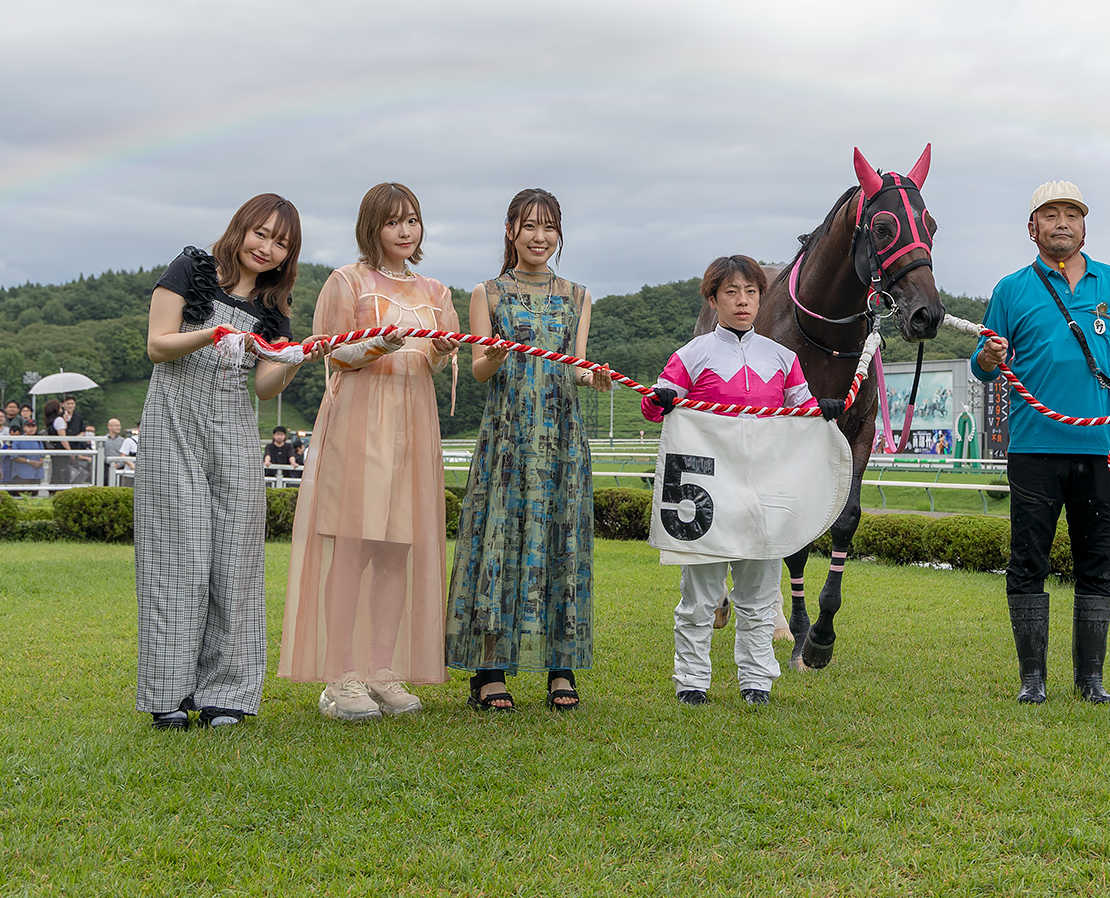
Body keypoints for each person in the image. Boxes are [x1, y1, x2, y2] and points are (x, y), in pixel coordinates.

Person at [971, 181, 1110, 705]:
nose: (1061, 222)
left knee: (1096, 559)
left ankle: (1091, 680)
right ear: (1032, 228)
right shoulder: (1011, 289)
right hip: (1034, 447)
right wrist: (990, 357)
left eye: (1071, 214)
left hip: (1099, 449)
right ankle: (1032, 680)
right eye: (1050, 214)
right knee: (1028, 559)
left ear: (1085, 226)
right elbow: (983, 364)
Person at [279, 182, 461, 721]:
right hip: (360, 421)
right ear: (372, 227)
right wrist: (378, 342)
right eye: (393, 222)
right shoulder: (346, 281)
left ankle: (382, 670)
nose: (406, 231)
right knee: (354, 548)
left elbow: (430, 360)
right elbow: (332, 355)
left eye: (413, 220)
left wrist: (440, 352)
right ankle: (341, 677)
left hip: (413, 424)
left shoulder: (436, 291)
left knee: (396, 550)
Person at [134, 193, 316, 730]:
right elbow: (158, 345)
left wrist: (292, 359)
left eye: (281, 243)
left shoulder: (272, 311)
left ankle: (227, 695)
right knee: (175, 557)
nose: (267, 248)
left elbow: (263, 387)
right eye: (261, 233)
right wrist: (214, 333)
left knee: (236, 561)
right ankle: (169, 693)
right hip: (174, 428)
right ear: (240, 228)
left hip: (235, 436)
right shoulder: (190, 270)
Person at [641, 255, 845, 706]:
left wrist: (822, 410)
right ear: (713, 300)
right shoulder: (691, 355)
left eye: (751, 292)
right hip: (707, 494)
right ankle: (692, 683)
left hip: (764, 493)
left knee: (757, 597)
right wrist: (661, 400)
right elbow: (655, 408)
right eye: (731, 292)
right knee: (700, 599)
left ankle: (757, 681)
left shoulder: (783, 359)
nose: (742, 301)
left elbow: (803, 413)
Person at [446, 188, 610, 711]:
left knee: (562, 545)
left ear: (559, 234)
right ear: (511, 231)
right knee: (498, 543)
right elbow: (478, 368)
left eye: (549, 227)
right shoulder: (487, 294)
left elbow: (576, 365)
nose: (540, 237)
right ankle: (488, 671)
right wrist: (493, 355)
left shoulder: (579, 295)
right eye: (529, 226)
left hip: (562, 440)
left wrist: (595, 378)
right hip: (508, 439)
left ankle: (561, 669)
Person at [4, 419, 44, 494]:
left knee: (34, 496)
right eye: (29, 426)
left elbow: (42, 455)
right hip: (21, 475)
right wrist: (30, 462)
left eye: (33, 426)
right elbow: (15, 457)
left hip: (36, 474)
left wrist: (40, 462)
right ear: (24, 428)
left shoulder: (38, 440)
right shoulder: (18, 440)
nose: (31, 428)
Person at [101, 419, 138, 485]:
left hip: (120, 467)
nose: (118, 427)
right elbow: (101, 454)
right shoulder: (103, 439)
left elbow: (124, 454)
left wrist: (119, 464)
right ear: (109, 427)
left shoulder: (123, 440)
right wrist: (110, 462)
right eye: (116, 425)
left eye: (119, 425)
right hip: (105, 466)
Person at [43, 400, 69, 484]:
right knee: (62, 471)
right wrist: (70, 451)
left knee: (56, 470)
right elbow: (63, 438)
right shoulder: (58, 420)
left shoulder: (50, 421)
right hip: (61, 449)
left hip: (54, 449)